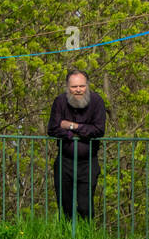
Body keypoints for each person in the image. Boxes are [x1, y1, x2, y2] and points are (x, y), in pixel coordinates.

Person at [46, 68, 107, 221]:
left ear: (87, 86)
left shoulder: (97, 101)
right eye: (74, 87)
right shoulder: (60, 101)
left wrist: (73, 127)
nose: (78, 90)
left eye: (82, 86)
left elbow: (99, 130)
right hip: (64, 161)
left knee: (86, 206)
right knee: (65, 205)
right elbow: (53, 128)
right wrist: (71, 135)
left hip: (88, 162)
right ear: (68, 88)